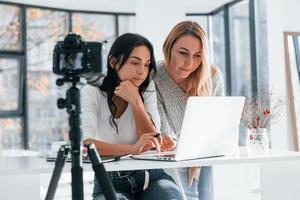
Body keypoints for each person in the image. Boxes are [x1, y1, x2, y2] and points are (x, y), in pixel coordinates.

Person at [81, 33, 183, 200]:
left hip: (151, 176)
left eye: (147, 64)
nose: (142, 71)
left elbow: (151, 140)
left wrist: (136, 101)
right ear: (113, 62)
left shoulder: (147, 88)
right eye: (135, 62)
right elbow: (86, 146)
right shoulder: (92, 92)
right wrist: (131, 150)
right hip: (109, 181)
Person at [153, 21, 225, 200]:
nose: (189, 63)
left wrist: (197, 162)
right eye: (183, 53)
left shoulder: (212, 76)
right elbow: (163, 129)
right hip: (170, 159)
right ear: (169, 48)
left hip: (204, 157)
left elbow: (216, 126)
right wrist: (191, 159)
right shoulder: (154, 75)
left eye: (198, 55)